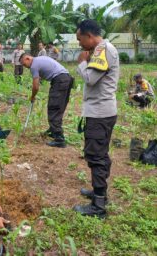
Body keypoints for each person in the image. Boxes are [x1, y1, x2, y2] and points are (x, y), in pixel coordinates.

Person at [74, 19, 119, 218]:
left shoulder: (103, 49)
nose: (79, 44)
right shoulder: (102, 49)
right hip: (101, 112)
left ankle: (98, 206)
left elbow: (91, 79)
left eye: (80, 39)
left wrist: (82, 63)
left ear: (89, 36)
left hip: (100, 113)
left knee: (96, 156)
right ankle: (99, 193)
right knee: (99, 153)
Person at [20, 54, 74, 147]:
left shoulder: (33, 65)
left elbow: (36, 86)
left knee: (54, 108)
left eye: (24, 64)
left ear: (27, 58)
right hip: (67, 78)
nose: (25, 67)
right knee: (59, 107)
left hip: (59, 81)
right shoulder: (41, 58)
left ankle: (59, 139)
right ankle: (53, 131)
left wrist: (32, 96)